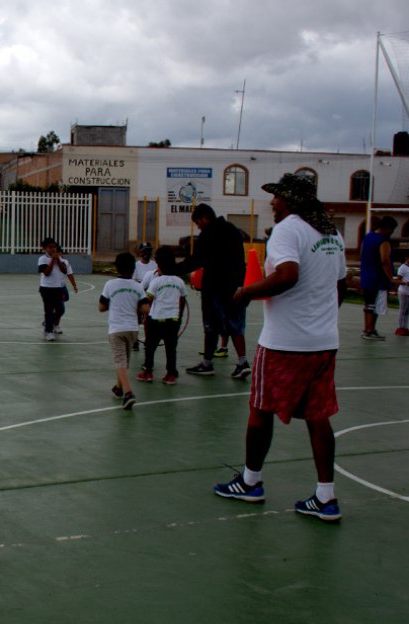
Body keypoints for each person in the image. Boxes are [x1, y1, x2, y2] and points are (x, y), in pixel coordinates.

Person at [212, 173, 348, 522]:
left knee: (261, 410)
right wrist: (321, 317)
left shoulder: (289, 229)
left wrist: (245, 293)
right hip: (323, 342)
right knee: (319, 417)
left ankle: (251, 481)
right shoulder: (332, 233)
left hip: (285, 343)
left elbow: (288, 275)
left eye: (276, 197)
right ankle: (325, 497)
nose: (272, 202)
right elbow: (340, 286)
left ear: (290, 199)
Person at [173, 204, 250, 379]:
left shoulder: (209, 234)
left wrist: (172, 270)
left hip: (214, 287)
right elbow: (240, 260)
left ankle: (207, 363)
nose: (198, 227)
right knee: (235, 324)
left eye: (198, 223)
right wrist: (240, 284)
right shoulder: (233, 230)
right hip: (234, 286)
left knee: (211, 325)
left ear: (205, 218)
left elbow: (197, 260)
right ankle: (242, 362)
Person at [99, 252, 145, 410]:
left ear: (116, 268)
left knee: (120, 361)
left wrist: (116, 303)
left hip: (117, 329)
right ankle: (119, 388)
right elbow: (145, 307)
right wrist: (135, 306)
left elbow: (101, 307)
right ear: (133, 269)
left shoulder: (110, 285)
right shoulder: (138, 286)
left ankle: (128, 393)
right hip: (133, 329)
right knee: (124, 361)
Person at [139, 247, 188, 385]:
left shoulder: (156, 282)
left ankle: (148, 372)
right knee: (171, 348)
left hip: (155, 319)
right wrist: (179, 316)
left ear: (158, 265)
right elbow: (182, 300)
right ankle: (170, 374)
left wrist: (140, 310)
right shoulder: (179, 282)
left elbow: (148, 299)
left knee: (150, 346)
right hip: (173, 320)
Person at [359, 216, 396, 340]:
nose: (392, 232)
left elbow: (361, 253)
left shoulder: (368, 236)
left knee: (368, 303)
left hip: (366, 274)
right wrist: (391, 278)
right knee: (375, 305)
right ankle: (370, 330)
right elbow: (384, 260)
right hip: (377, 277)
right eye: (392, 229)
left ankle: (366, 328)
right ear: (387, 228)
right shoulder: (383, 240)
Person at [38, 237, 78, 341]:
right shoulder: (42, 259)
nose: (53, 249)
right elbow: (46, 273)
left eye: (54, 247)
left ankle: (49, 324)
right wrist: (52, 260)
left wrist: (58, 260)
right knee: (49, 310)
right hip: (46, 288)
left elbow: (64, 270)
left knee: (60, 309)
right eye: (50, 247)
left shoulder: (61, 259)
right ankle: (49, 331)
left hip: (58, 288)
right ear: (45, 249)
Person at [394, 252, 409, 337]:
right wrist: (404, 283)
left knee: (408, 310)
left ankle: (405, 327)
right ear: (406, 258)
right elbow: (398, 280)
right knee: (403, 310)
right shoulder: (402, 268)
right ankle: (400, 327)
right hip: (404, 291)